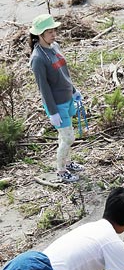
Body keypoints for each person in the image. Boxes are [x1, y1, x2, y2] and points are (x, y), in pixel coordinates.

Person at [29, 14, 85, 184]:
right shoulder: (38, 59)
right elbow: (43, 89)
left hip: (67, 98)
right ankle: (61, 171)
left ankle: (68, 162)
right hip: (56, 105)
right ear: (40, 34)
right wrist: (52, 112)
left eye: (54, 30)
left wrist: (74, 91)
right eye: (49, 32)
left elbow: (65, 74)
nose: (53, 34)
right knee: (68, 138)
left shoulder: (55, 47)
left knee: (64, 136)